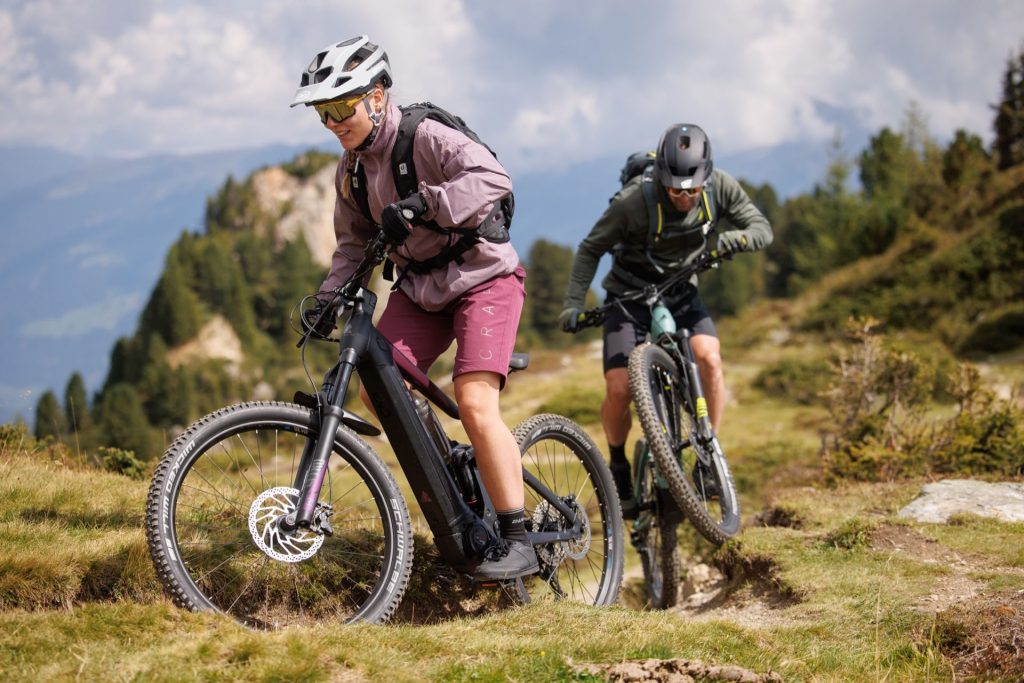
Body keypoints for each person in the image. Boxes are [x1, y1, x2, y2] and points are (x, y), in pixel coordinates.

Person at [291, 36, 535, 579]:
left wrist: (426, 203)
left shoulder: (425, 135)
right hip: (421, 289)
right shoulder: (351, 171)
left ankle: (518, 538)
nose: (331, 123)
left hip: (483, 278)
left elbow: (493, 179)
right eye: (322, 113)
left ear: (377, 97)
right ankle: (453, 475)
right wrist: (327, 300)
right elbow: (352, 245)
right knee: (377, 390)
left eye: (341, 108)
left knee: (474, 402)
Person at [559, 123, 772, 514]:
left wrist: (735, 239)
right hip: (628, 296)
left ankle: (708, 451)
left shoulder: (721, 188)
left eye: (692, 189)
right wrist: (573, 303)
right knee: (619, 388)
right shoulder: (632, 203)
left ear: (706, 177)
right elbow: (590, 248)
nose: (684, 197)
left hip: (680, 290)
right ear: (661, 179)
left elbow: (761, 229)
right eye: (675, 190)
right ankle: (618, 464)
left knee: (709, 359)